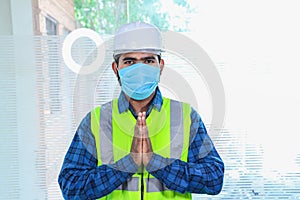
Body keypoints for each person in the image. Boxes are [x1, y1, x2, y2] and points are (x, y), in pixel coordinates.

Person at [58, 21, 224, 200]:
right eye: (129, 61)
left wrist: (157, 163)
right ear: (116, 69)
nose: (140, 69)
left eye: (148, 60)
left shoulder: (185, 117)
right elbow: (71, 187)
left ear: (160, 67)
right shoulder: (96, 121)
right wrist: (128, 164)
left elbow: (214, 179)